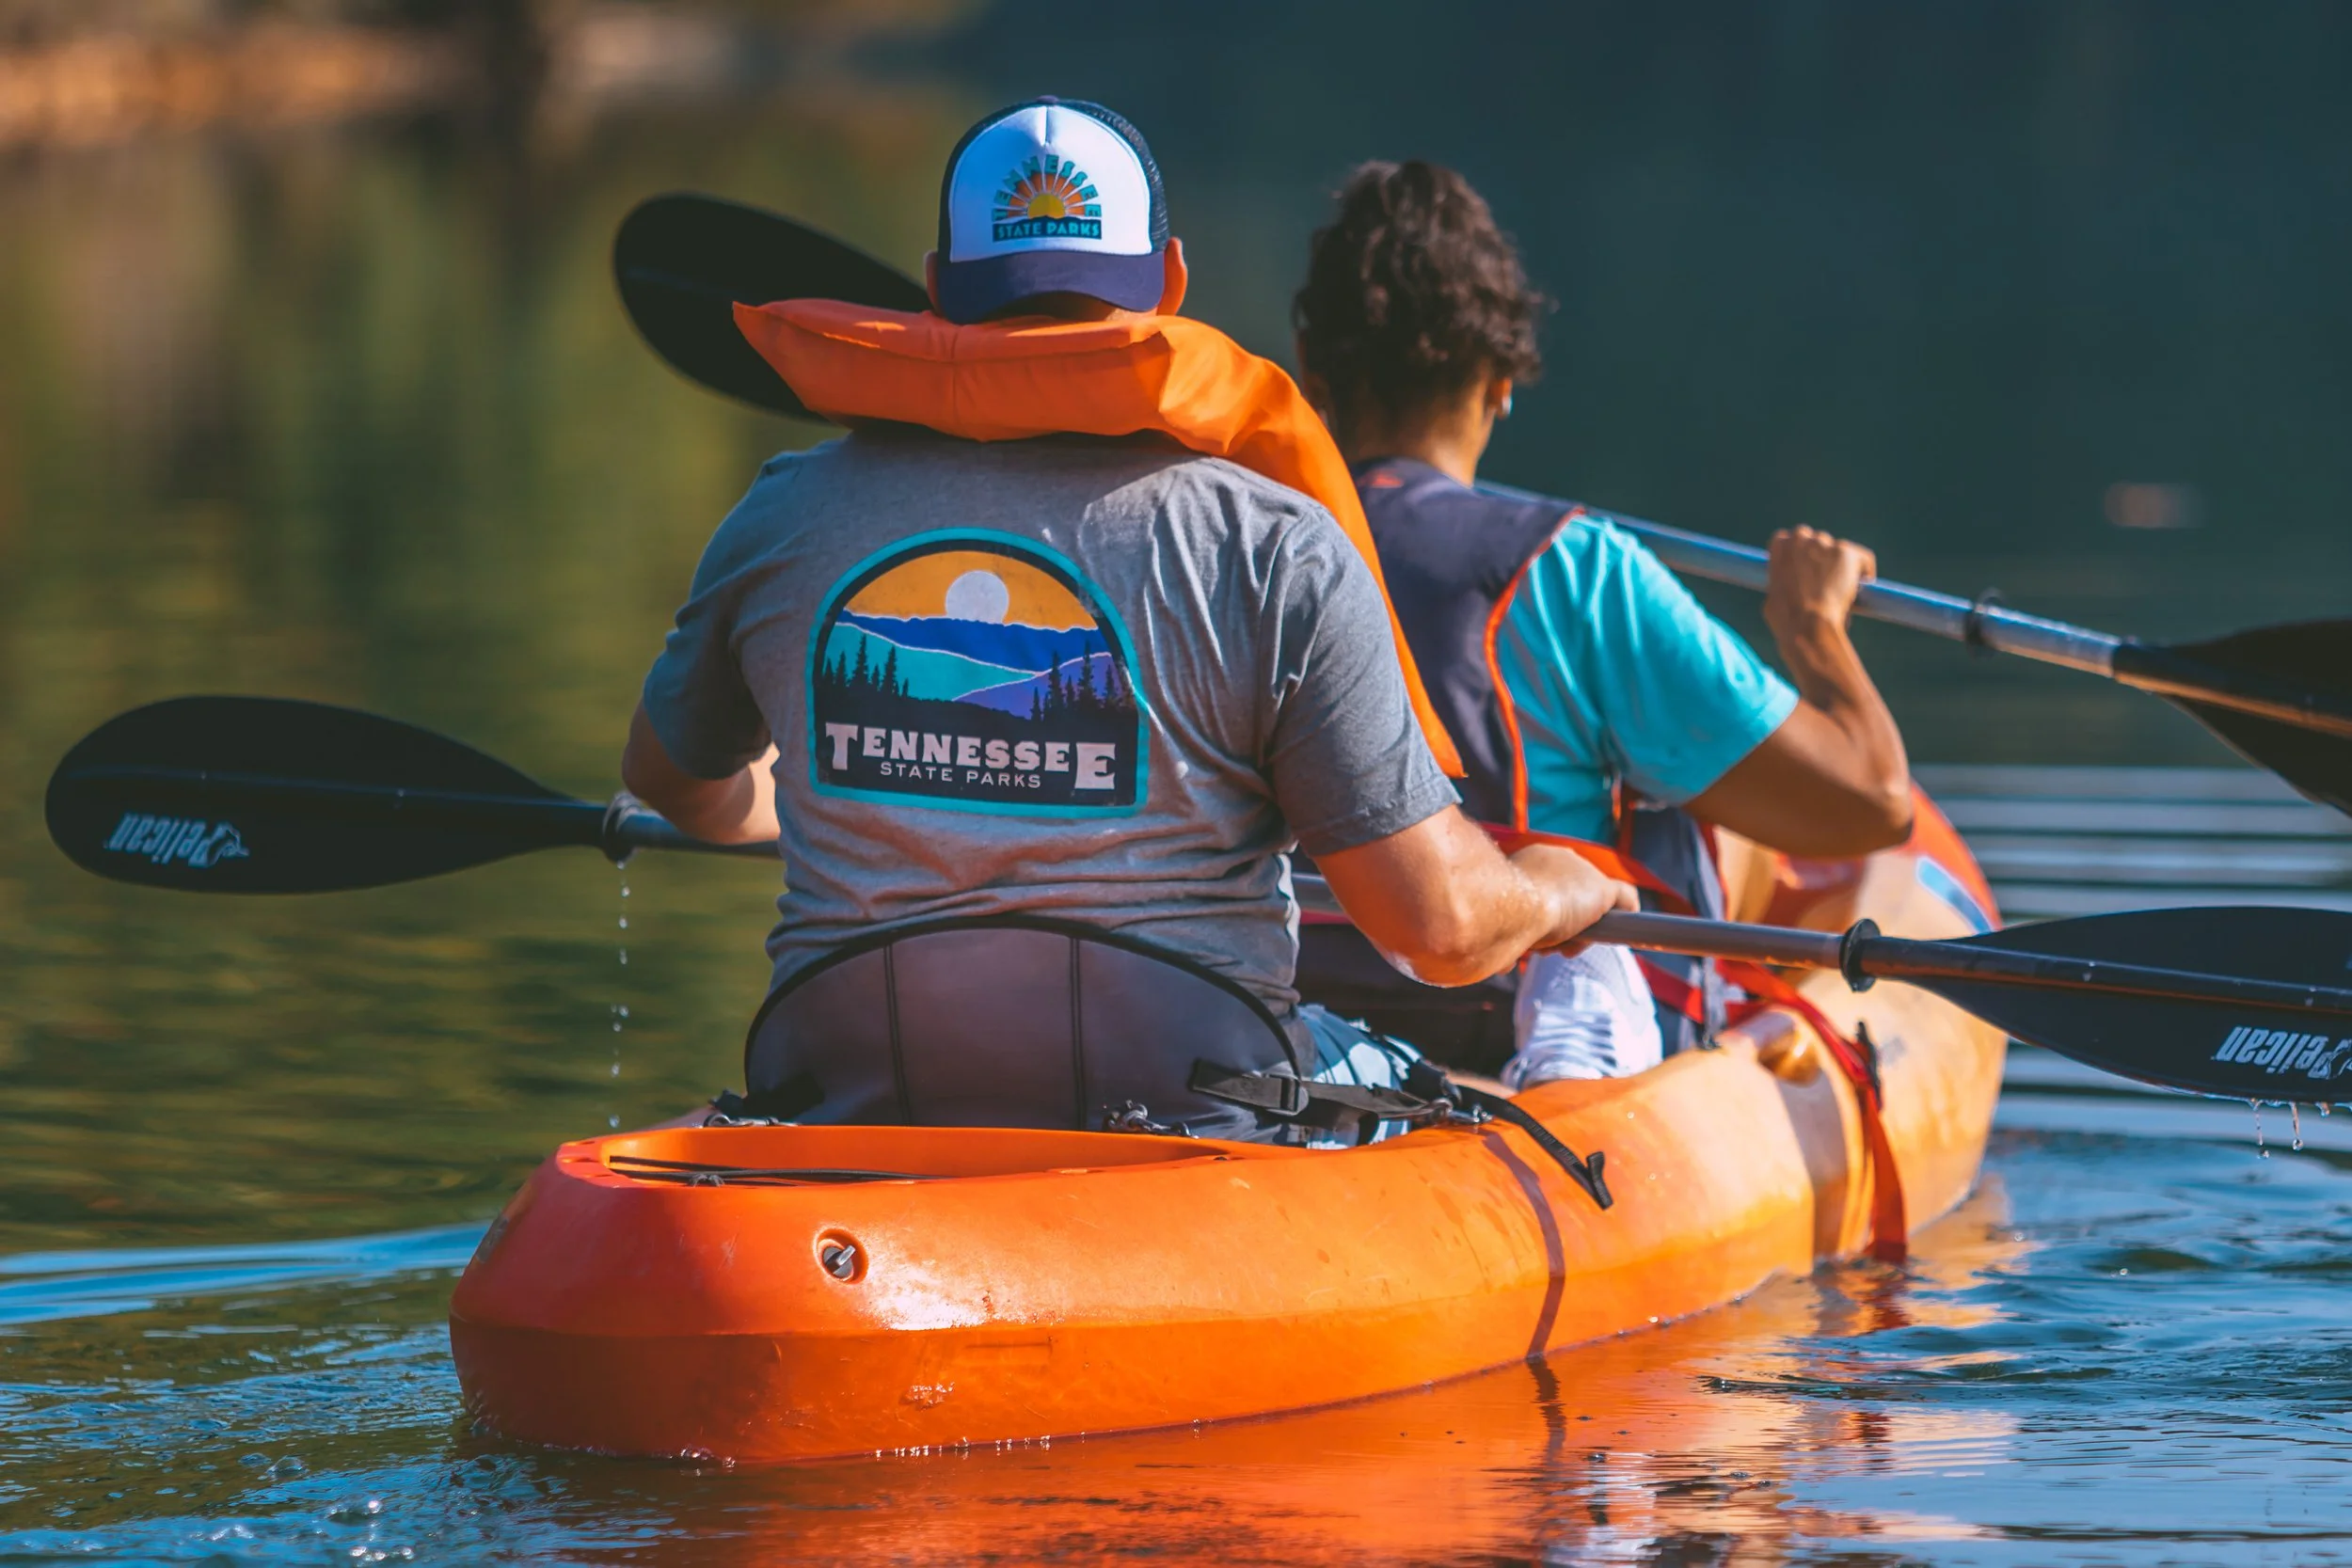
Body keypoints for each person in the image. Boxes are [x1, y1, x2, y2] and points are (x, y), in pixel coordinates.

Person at [619, 101, 1634, 1142]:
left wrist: (807, 811)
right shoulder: (1273, 542)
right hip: (1194, 1094)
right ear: (1171, 280)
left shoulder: (782, 513)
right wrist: (1558, 889)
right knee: (1485, 1109)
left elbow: (671, 782)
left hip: (845, 1080)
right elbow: (1444, 930)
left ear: (936, 283)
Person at [1291, 160, 1913, 1087]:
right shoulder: (1570, 569)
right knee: (1680, 810)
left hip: (1287, 1031)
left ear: (1312, 375)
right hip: (1528, 1050)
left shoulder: (1237, 540)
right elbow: (1868, 801)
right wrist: (1813, 626)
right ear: (1501, 381)